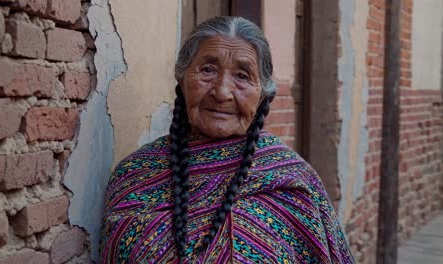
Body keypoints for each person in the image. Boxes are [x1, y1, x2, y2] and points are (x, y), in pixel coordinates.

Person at [100, 16, 354, 264]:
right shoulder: (134, 177)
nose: (222, 92)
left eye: (242, 76)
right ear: (182, 79)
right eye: (208, 70)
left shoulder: (295, 184)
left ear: (263, 92)